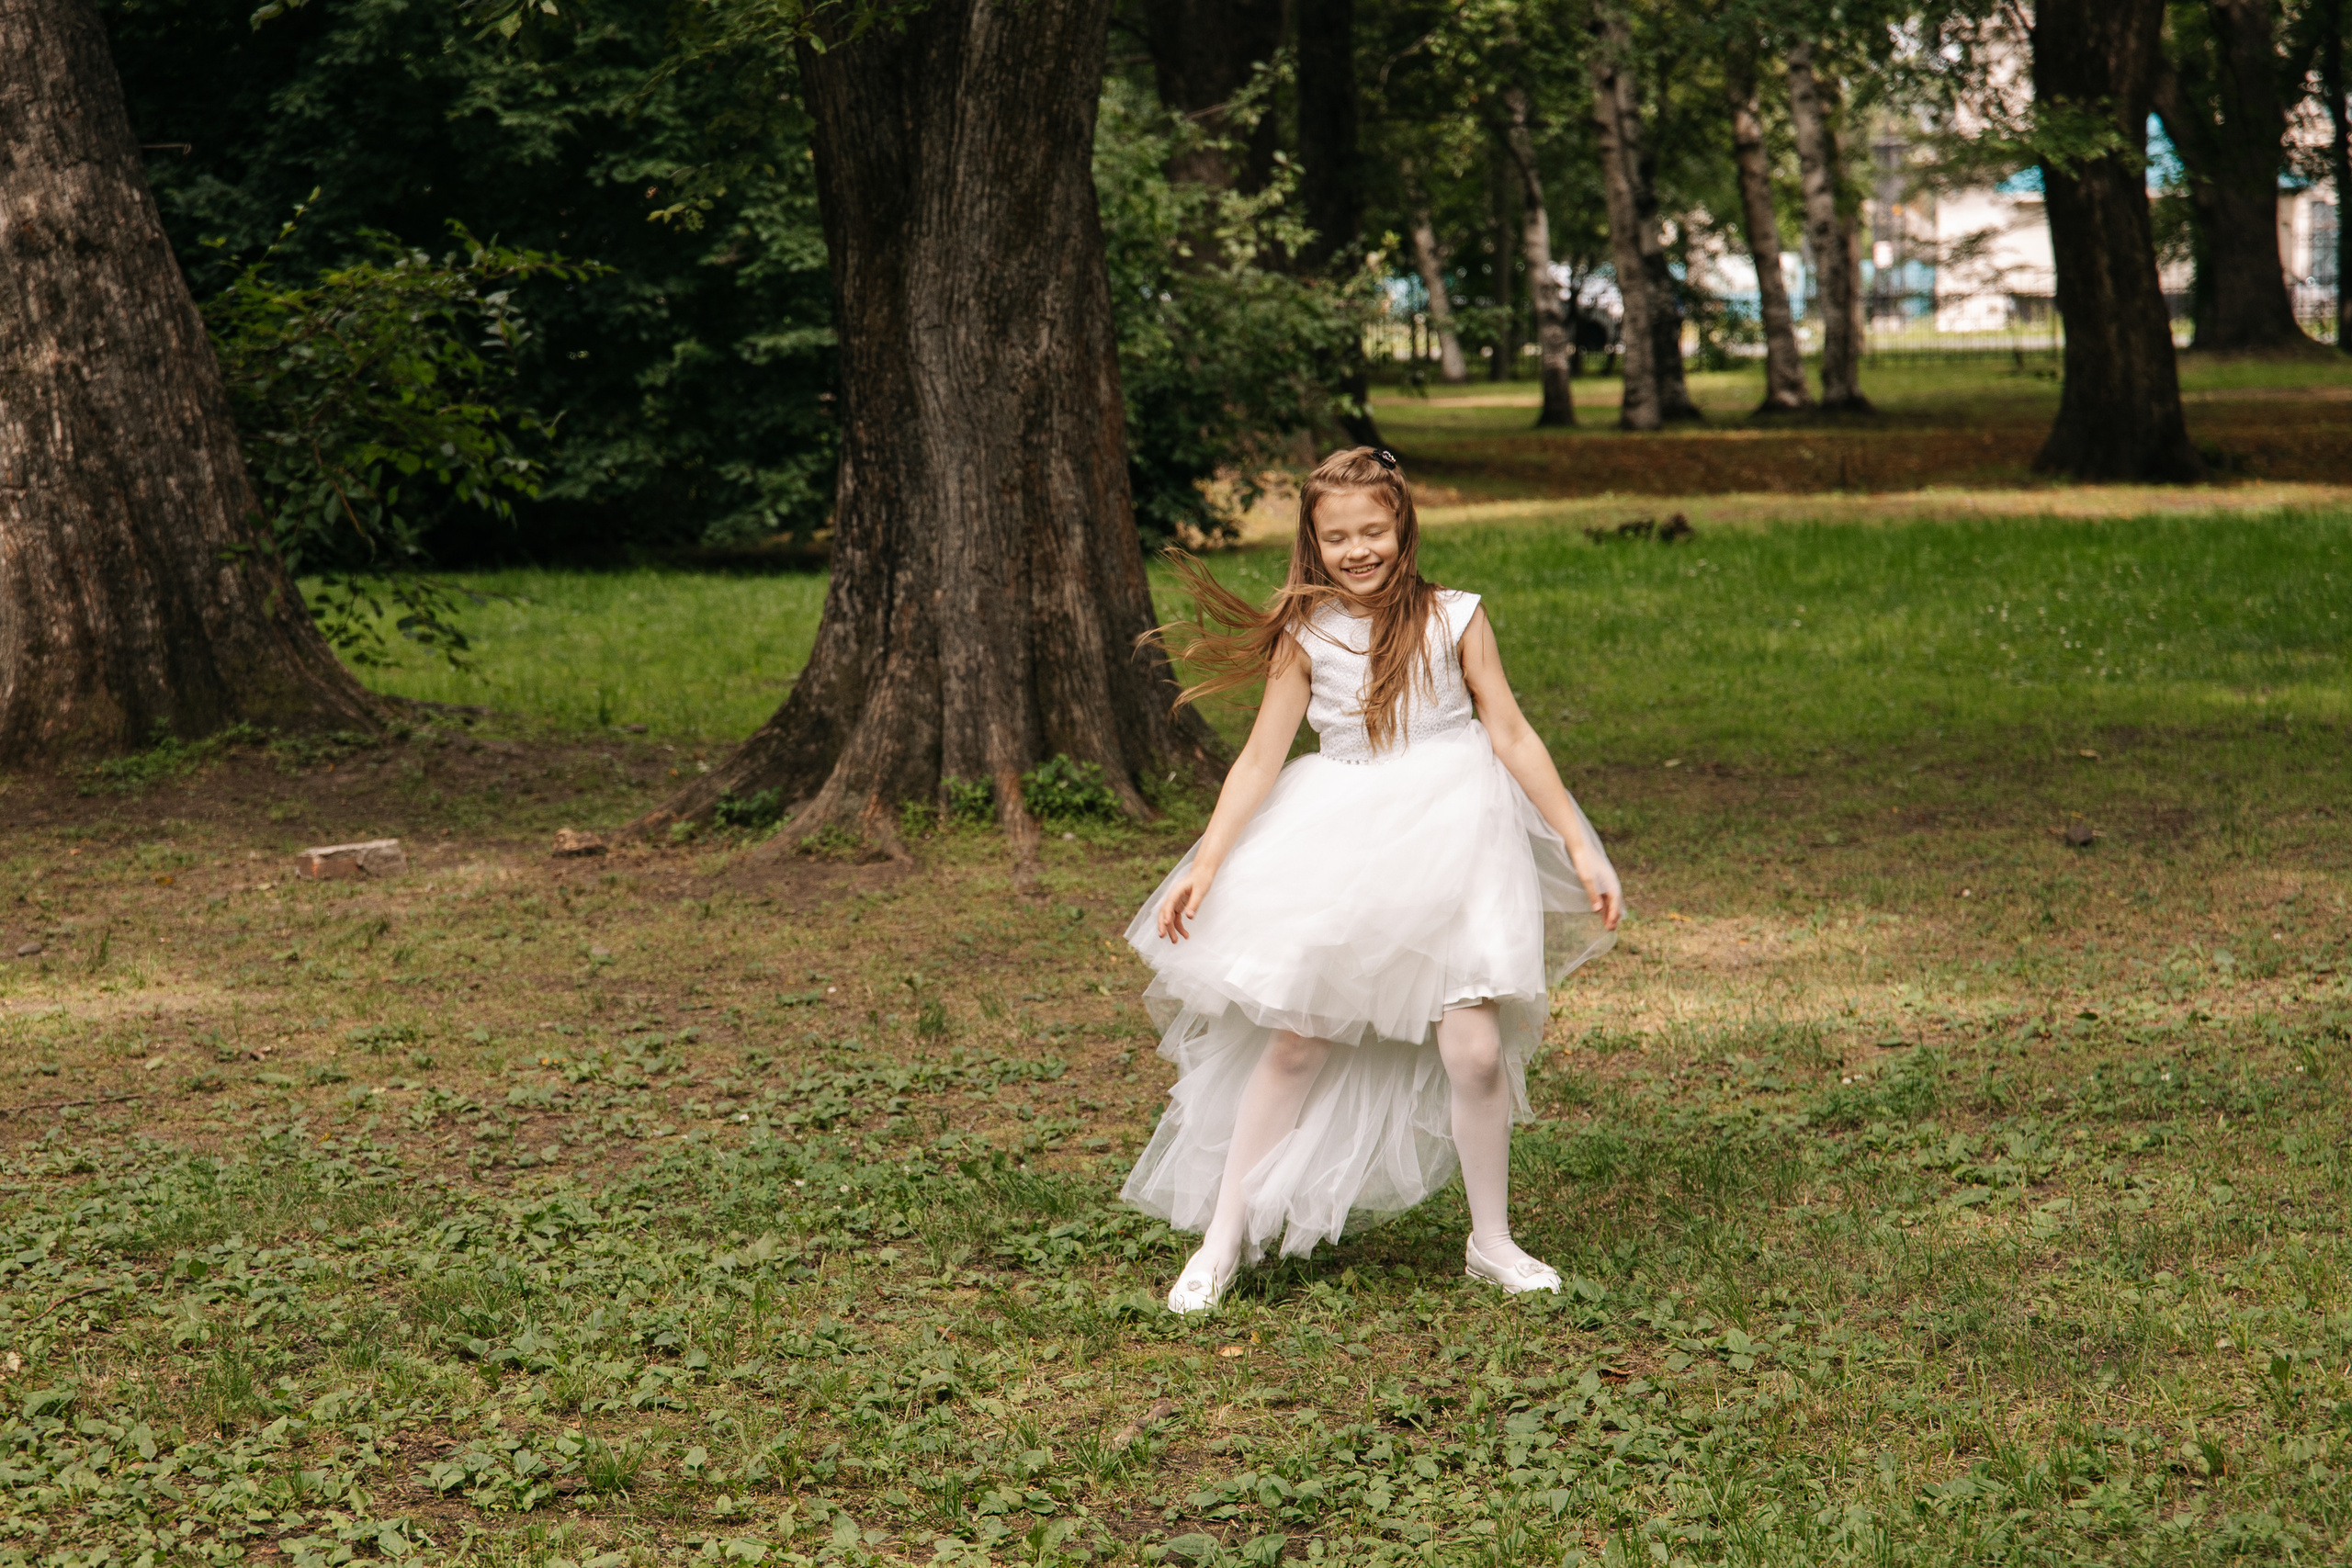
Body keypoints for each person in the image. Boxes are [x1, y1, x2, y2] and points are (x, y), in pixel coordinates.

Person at [1122, 446, 1625, 1314]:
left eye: (1374, 531)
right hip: (1345, 841)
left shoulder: (1457, 616)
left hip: (1461, 838)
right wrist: (1205, 863)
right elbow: (1257, 759)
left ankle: (1491, 1241)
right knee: (1297, 1040)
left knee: (1472, 1052)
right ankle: (1223, 1236)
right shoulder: (1305, 634)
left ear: (1403, 527)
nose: (1358, 550)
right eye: (1337, 537)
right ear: (1313, 543)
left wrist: (1580, 845)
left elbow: (1509, 731)